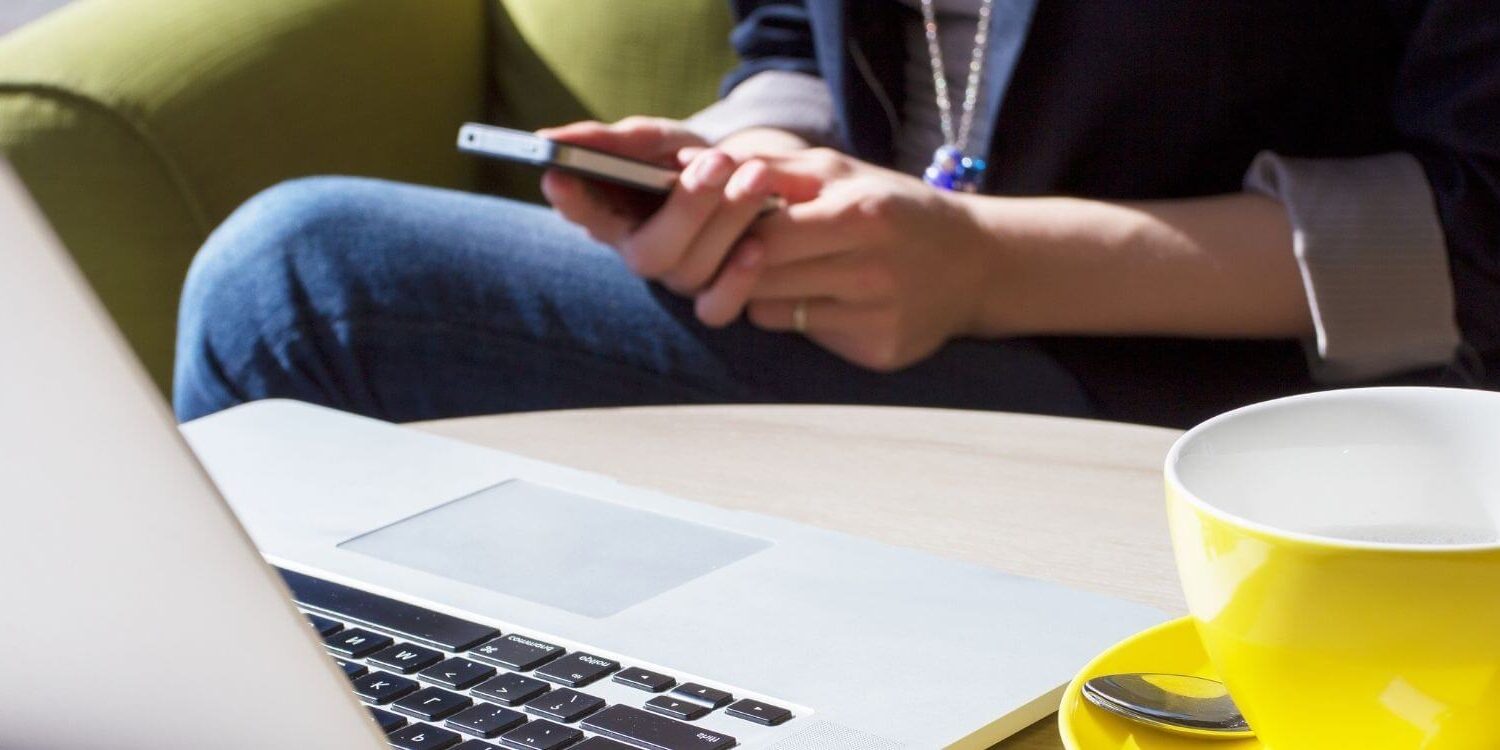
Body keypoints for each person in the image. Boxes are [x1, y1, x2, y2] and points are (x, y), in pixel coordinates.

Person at [172, 0, 1500, 428]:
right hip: (859, 309)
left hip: (1242, 405)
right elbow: (784, 39)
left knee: (302, 293)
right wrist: (741, 162)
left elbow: (1474, 230)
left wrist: (982, 269)